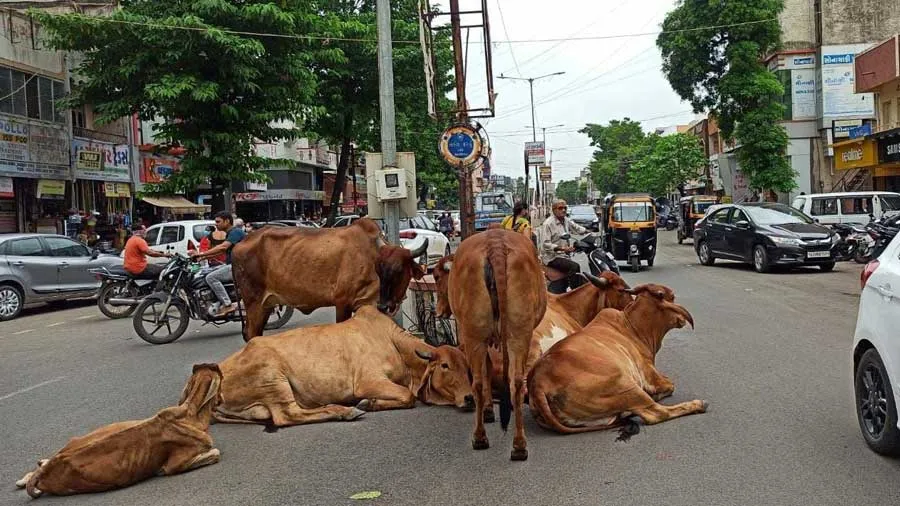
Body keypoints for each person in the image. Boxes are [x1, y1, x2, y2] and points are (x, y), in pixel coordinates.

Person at [190, 211, 246, 317]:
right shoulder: (230, 233)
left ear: (227, 221)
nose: (216, 224)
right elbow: (222, 251)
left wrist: (201, 254)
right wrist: (202, 257)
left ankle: (227, 304)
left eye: (218, 221)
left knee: (211, 278)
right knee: (206, 273)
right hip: (232, 264)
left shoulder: (236, 232)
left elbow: (223, 247)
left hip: (239, 266)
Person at [539, 199, 588, 294]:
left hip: (564, 255)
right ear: (553, 210)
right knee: (574, 267)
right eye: (560, 208)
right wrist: (562, 248)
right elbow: (545, 244)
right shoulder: (548, 224)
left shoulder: (566, 220)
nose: (563, 210)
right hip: (552, 257)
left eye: (565, 208)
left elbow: (576, 228)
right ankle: (575, 293)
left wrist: (589, 232)